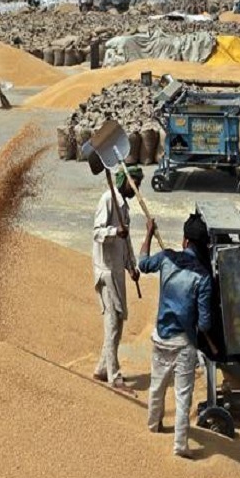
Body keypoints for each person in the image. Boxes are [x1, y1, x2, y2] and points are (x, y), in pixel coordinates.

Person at [139, 214, 213, 458]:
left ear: (184, 240)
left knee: (157, 386)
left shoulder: (167, 258)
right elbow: (204, 323)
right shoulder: (203, 278)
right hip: (184, 343)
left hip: (160, 336)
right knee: (183, 396)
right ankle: (180, 445)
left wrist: (149, 233)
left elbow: (143, 263)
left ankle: (153, 425)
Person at [92, 166, 143, 393]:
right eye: (135, 184)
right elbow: (97, 232)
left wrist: (131, 266)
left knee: (118, 321)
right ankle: (114, 376)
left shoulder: (124, 207)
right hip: (105, 272)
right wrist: (114, 232)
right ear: (125, 182)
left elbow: (126, 242)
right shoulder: (107, 200)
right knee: (112, 323)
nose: (137, 189)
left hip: (118, 271)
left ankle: (102, 367)